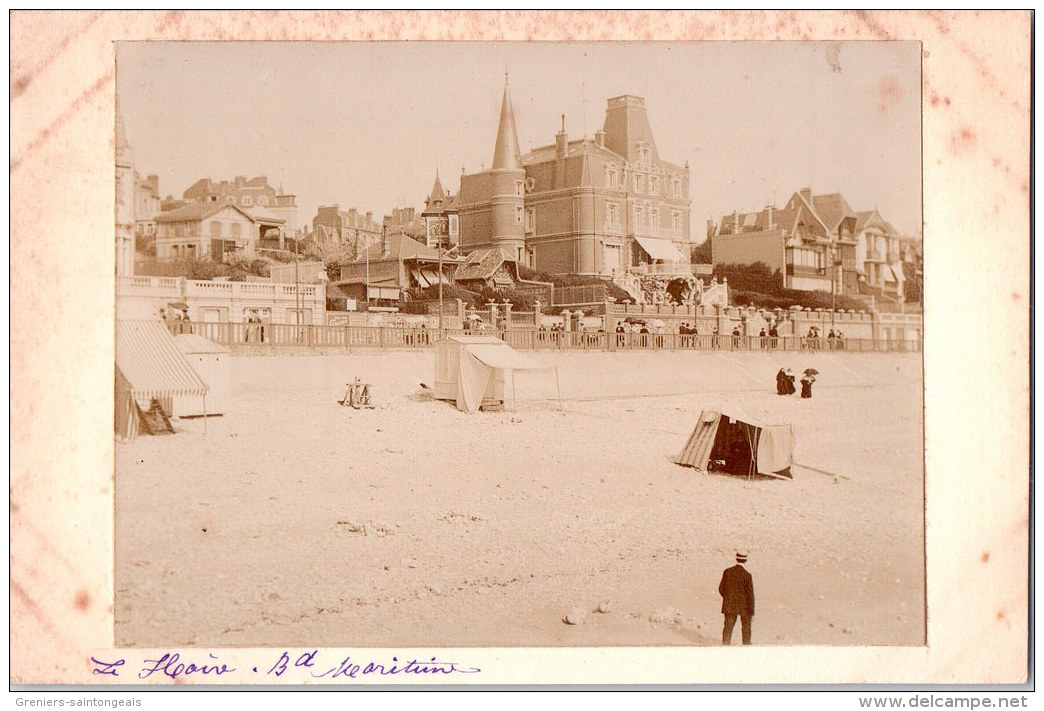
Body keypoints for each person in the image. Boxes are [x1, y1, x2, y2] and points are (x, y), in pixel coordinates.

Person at [719, 550, 755, 645]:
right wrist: (751, 611)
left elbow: (721, 589)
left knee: (728, 627)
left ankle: (725, 645)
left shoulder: (727, 572)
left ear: (736, 559)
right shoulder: (747, 575)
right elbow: (750, 595)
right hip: (744, 606)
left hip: (729, 604)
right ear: (746, 560)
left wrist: (728, 598)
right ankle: (746, 646)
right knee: (746, 628)